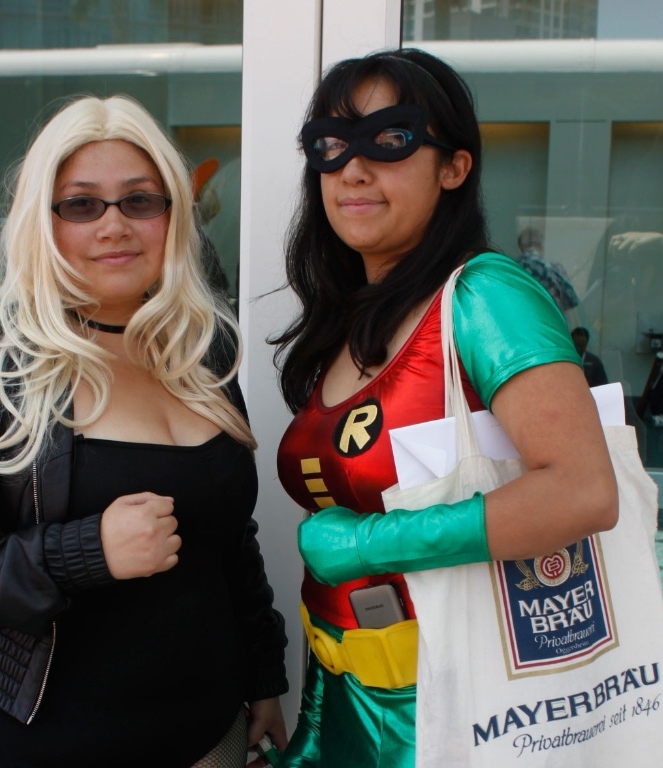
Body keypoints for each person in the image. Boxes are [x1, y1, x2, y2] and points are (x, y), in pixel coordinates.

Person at [0, 95, 289, 768]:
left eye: (139, 201)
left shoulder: (202, 352)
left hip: (206, 736)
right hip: (32, 744)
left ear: (173, 217)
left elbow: (228, 538)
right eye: (80, 204)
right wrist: (85, 551)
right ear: (43, 223)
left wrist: (262, 678)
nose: (114, 226)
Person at [270, 49, 619, 767]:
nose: (353, 169)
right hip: (342, 688)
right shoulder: (346, 318)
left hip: (461, 702)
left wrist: (367, 544)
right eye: (330, 147)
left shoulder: (486, 296)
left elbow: (583, 490)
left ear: (454, 167)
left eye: (390, 140)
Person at [515, 226, 580, 316]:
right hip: (550, 322)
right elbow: (571, 302)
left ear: (520, 248)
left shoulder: (512, 267)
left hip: (521, 322)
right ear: (541, 246)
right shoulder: (555, 267)